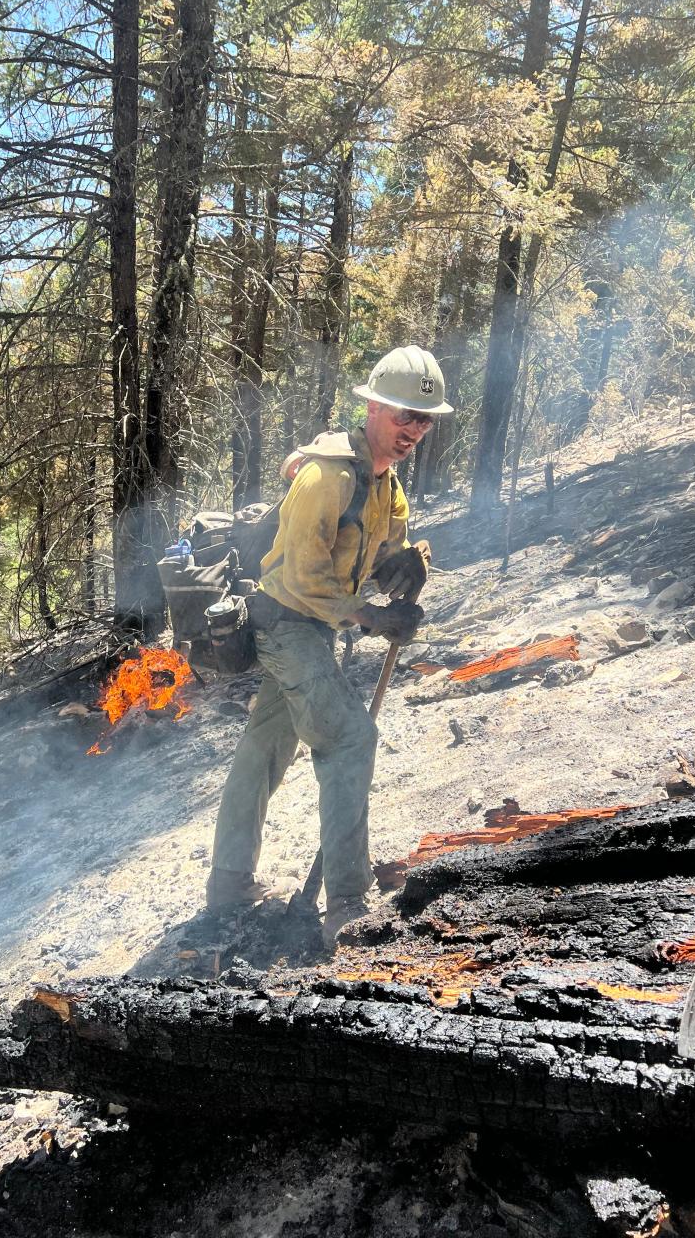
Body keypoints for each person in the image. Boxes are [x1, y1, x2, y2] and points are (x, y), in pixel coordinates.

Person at [206, 345, 453, 948]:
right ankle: (347, 900)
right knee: (348, 738)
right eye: (404, 416)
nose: (414, 430)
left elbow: (387, 551)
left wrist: (409, 568)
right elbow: (303, 581)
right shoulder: (326, 478)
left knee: (264, 747)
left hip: (311, 626)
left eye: (424, 420)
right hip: (283, 622)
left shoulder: (384, 484)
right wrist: (370, 617)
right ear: (372, 405)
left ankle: (228, 882)